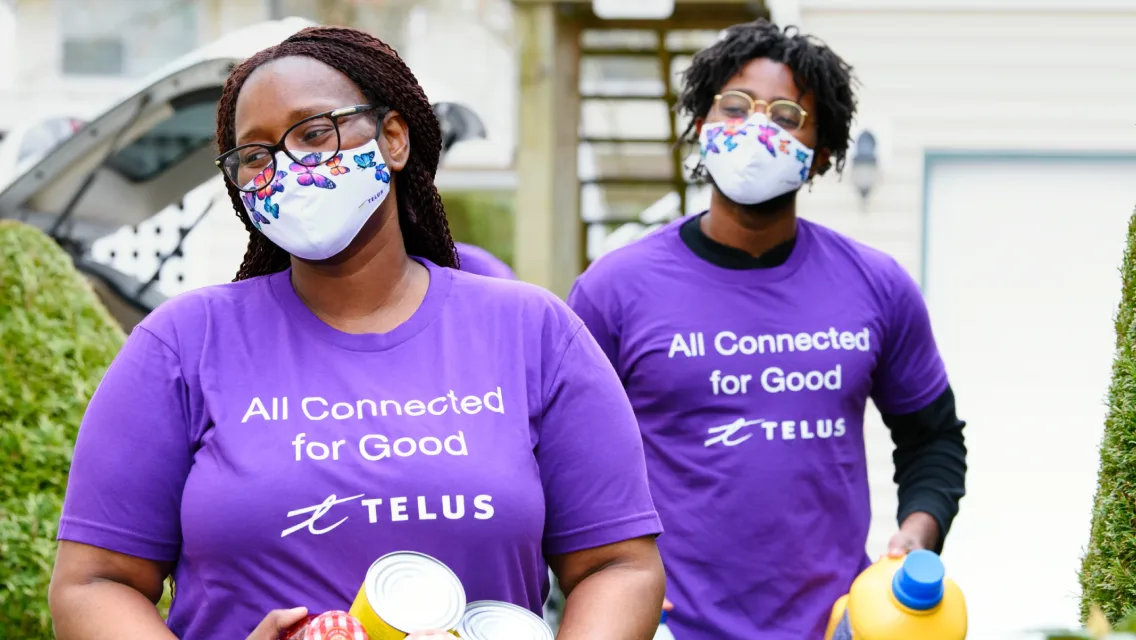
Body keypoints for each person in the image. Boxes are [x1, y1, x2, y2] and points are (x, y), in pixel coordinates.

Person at [49, 27, 665, 640]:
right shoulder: (182, 344)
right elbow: (94, 583)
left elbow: (617, 565)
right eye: (256, 155)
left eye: (314, 133)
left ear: (393, 139)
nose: (285, 166)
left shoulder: (534, 332)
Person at [567, 19, 966, 640]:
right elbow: (561, 457)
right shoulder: (614, 289)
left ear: (823, 151)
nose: (756, 127)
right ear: (703, 125)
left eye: (786, 115)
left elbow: (934, 441)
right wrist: (606, 582)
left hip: (838, 626)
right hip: (669, 629)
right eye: (734, 106)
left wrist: (913, 542)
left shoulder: (878, 286)